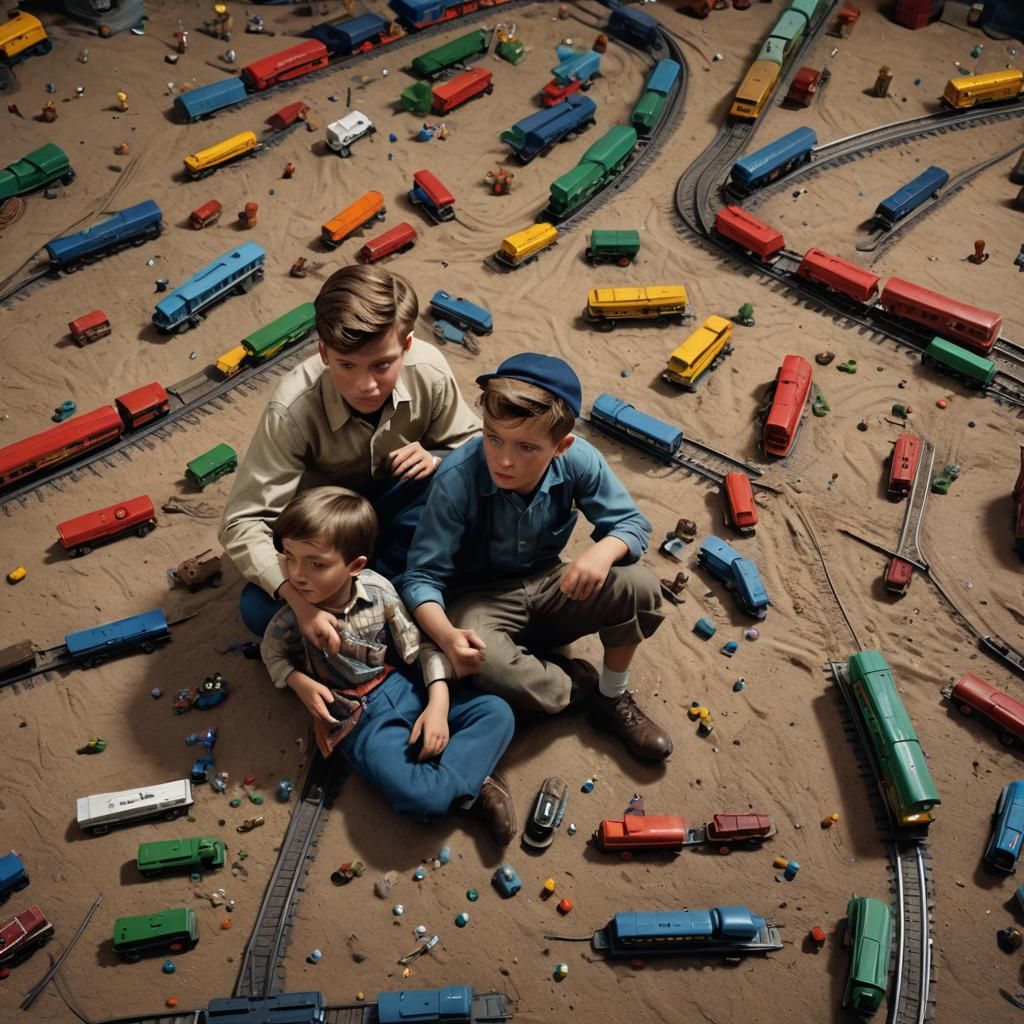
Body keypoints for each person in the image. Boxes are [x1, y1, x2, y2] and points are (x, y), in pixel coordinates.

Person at [398, 353, 673, 763]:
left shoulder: (580, 459)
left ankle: (611, 696)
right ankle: (573, 687)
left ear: (561, 446)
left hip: (549, 585)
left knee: (642, 587)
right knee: (485, 662)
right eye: (493, 438)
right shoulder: (456, 479)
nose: (504, 460)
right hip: (481, 602)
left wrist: (604, 550)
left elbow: (632, 524)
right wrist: (447, 637)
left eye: (526, 447)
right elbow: (421, 576)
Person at [219, 264, 480, 640]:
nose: (365, 385)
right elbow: (241, 524)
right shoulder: (291, 409)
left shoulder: (429, 369)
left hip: (398, 506)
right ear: (324, 352)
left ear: (406, 345)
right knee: (257, 609)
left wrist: (437, 457)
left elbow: (473, 446)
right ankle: (406, 606)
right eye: (346, 365)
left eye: (382, 364)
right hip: (324, 538)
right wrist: (299, 600)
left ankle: (380, 612)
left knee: (457, 477)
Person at [260, 487, 516, 844]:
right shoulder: (293, 618)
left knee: (498, 712)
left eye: (316, 563)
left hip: (400, 684)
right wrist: (300, 682)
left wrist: (439, 705)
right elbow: (271, 653)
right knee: (419, 797)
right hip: (355, 716)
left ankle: (450, 786)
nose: (297, 574)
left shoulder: (379, 590)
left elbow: (417, 646)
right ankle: (471, 787)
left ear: (356, 566)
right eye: (289, 557)